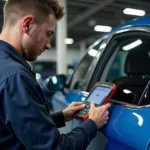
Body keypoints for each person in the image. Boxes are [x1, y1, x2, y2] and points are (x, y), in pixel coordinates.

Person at [0, 0, 111, 149]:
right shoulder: (16, 77)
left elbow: (16, 124)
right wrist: (92, 123)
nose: (48, 44)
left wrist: (61, 116)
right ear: (27, 25)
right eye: (48, 34)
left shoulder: (6, 68)